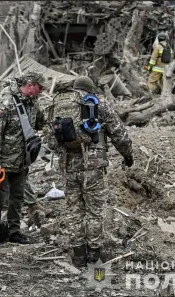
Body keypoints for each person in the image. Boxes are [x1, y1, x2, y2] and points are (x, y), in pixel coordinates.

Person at [46, 76, 134, 267]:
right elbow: (119, 134)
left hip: (68, 165)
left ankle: (78, 256)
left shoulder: (58, 105)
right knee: (94, 212)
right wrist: (128, 156)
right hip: (93, 166)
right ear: (91, 89)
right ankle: (94, 255)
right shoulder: (97, 104)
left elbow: (51, 141)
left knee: (73, 211)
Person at [0, 71, 47, 247]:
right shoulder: (6, 102)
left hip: (21, 161)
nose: (41, 92)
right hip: (3, 162)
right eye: (39, 88)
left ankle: (14, 231)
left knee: (17, 198)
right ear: (30, 84)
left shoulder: (32, 103)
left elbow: (40, 122)